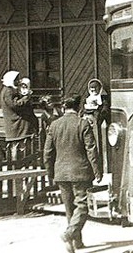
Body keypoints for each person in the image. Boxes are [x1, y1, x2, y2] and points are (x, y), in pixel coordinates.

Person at [44, 95, 102, 253]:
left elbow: (47, 152)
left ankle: (76, 242)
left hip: (61, 173)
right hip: (81, 172)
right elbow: (91, 149)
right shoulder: (83, 124)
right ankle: (69, 234)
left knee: (69, 208)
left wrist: (50, 172)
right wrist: (97, 170)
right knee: (83, 206)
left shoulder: (54, 125)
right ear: (79, 107)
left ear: (64, 107)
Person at [0, 71, 39, 160]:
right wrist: (26, 97)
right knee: (19, 150)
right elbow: (15, 105)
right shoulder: (8, 91)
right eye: (16, 79)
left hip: (21, 127)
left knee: (24, 150)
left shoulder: (11, 91)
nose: (18, 81)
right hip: (18, 126)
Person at [81, 79, 110, 174]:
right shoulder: (87, 98)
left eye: (95, 88)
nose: (93, 91)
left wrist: (99, 113)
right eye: (91, 89)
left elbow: (105, 110)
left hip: (98, 126)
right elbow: (82, 110)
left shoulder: (103, 99)